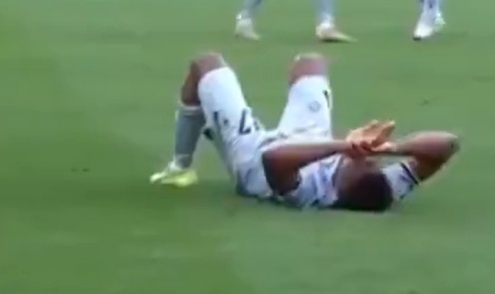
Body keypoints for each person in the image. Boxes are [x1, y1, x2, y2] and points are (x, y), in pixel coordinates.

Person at [149, 52, 460, 211]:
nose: (370, 161)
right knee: (310, 64)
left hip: (253, 155)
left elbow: (274, 158)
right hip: (312, 140)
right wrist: (393, 149)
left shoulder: (312, 194)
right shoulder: (384, 189)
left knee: (205, 64)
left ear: (342, 188)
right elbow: (448, 144)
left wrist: (344, 147)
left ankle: (180, 166)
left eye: (363, 166)